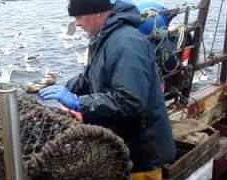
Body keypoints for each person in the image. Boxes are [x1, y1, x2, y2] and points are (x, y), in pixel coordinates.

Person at [38, 0, 176, 179]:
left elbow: (130, 102)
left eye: (80, 16)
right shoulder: (104, 37)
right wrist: (64, 88)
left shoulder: (127, 43)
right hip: (120, 146)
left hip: (141, 154)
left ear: (97, 12)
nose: (77, 23)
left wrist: (79, 103)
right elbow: (90, 77)